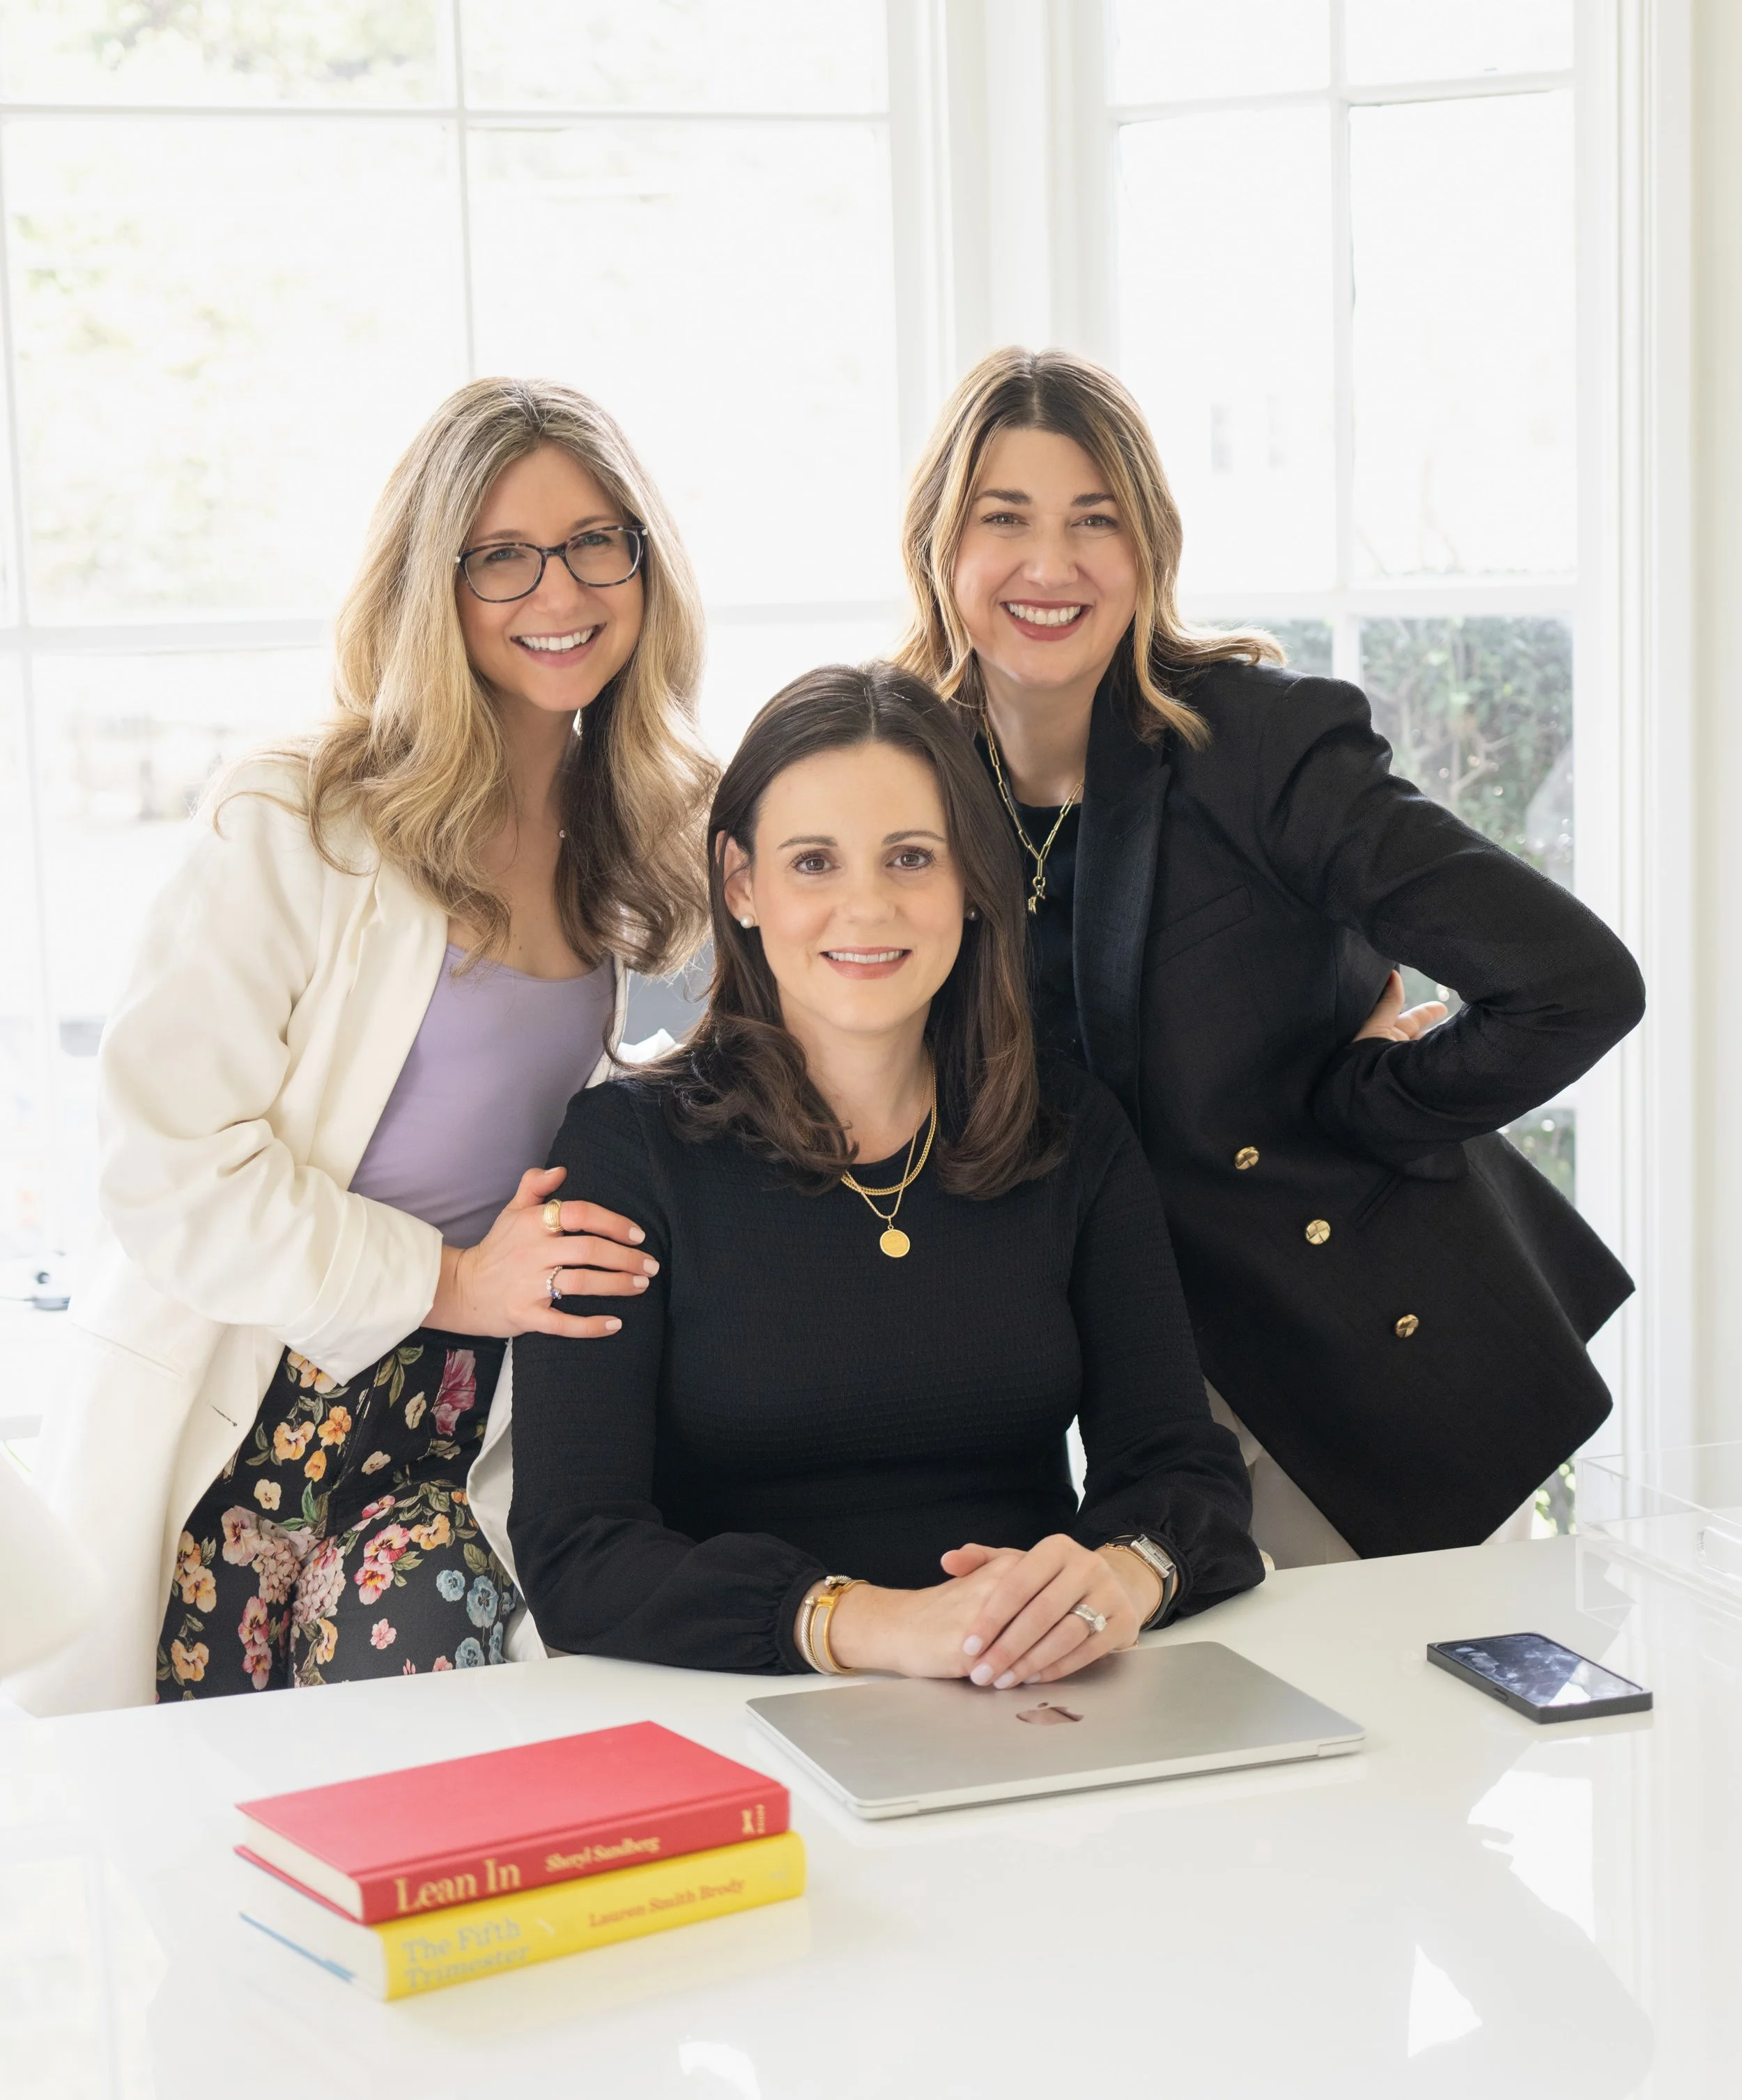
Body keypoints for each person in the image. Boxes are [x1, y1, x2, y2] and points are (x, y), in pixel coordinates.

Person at [10, 378, 712, 1714]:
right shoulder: (300, 819)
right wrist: (449, 1279)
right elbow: (167, 1166)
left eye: (593, 541)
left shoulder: (645, 833)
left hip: (478, 1422)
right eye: (500, 556)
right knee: (236, 1845)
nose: (557, 591)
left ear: (644, 561)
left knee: (443, 1815)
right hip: (261, 1411)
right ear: (427, 585)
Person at [893, 347, 1646, 1565]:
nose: (1051, 565)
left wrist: (1363, 1105)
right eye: (1005, 519)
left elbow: (1573, 983)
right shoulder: (899, 773)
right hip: (1054, 1376)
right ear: (941, 545)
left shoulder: (1252, 744)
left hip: (1332, 1354)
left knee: (1363, 1735)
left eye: (1097, 519)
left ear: (1150, 547)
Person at [506, 664, 1263, 1685]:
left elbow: (1187, 1473)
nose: (865, 909)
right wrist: (877, 1626)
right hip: (734, 1708)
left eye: (911, 857)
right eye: (813, 863)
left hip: (1034, 1699)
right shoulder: (624, 1150)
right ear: (742, 884)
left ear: (972, 879)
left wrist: (1121, 1580)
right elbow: (577, 1550)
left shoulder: (1071, 1131)